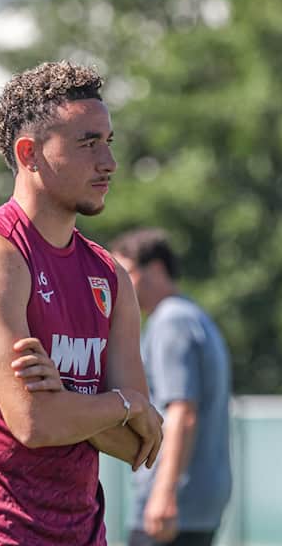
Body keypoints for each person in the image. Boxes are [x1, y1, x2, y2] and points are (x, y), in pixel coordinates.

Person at [0, 61, 164, 545]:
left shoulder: (109, 276)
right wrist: (118, 403)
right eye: (87, 143)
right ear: (30, 154)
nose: (109, 162)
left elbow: (139, 444)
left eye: (108, 141)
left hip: (82, 534)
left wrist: (71, 401)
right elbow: (35, 423)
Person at [110, 228, 232, 546]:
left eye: (125, 273)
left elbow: (182, 412)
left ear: (156, 270)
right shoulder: (194, 316)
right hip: (199, 500)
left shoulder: (170, 322)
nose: (118, 284)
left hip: (173, 503)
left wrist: (164, 493)